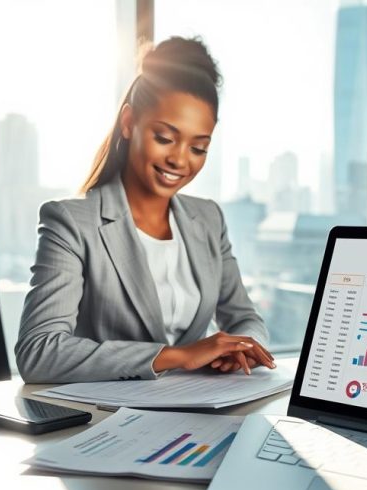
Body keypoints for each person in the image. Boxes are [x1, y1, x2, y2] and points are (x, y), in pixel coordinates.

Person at [15, 37, 274, 383]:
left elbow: (244, 316)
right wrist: (177, 357)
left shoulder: (209, 219)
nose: (180, 159)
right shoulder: (71, 223)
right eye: (165, 138)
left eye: (198, 147)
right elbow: (38, 351)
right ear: (129, 123)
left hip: (202, 408)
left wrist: (243, 347)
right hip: (106, 421)